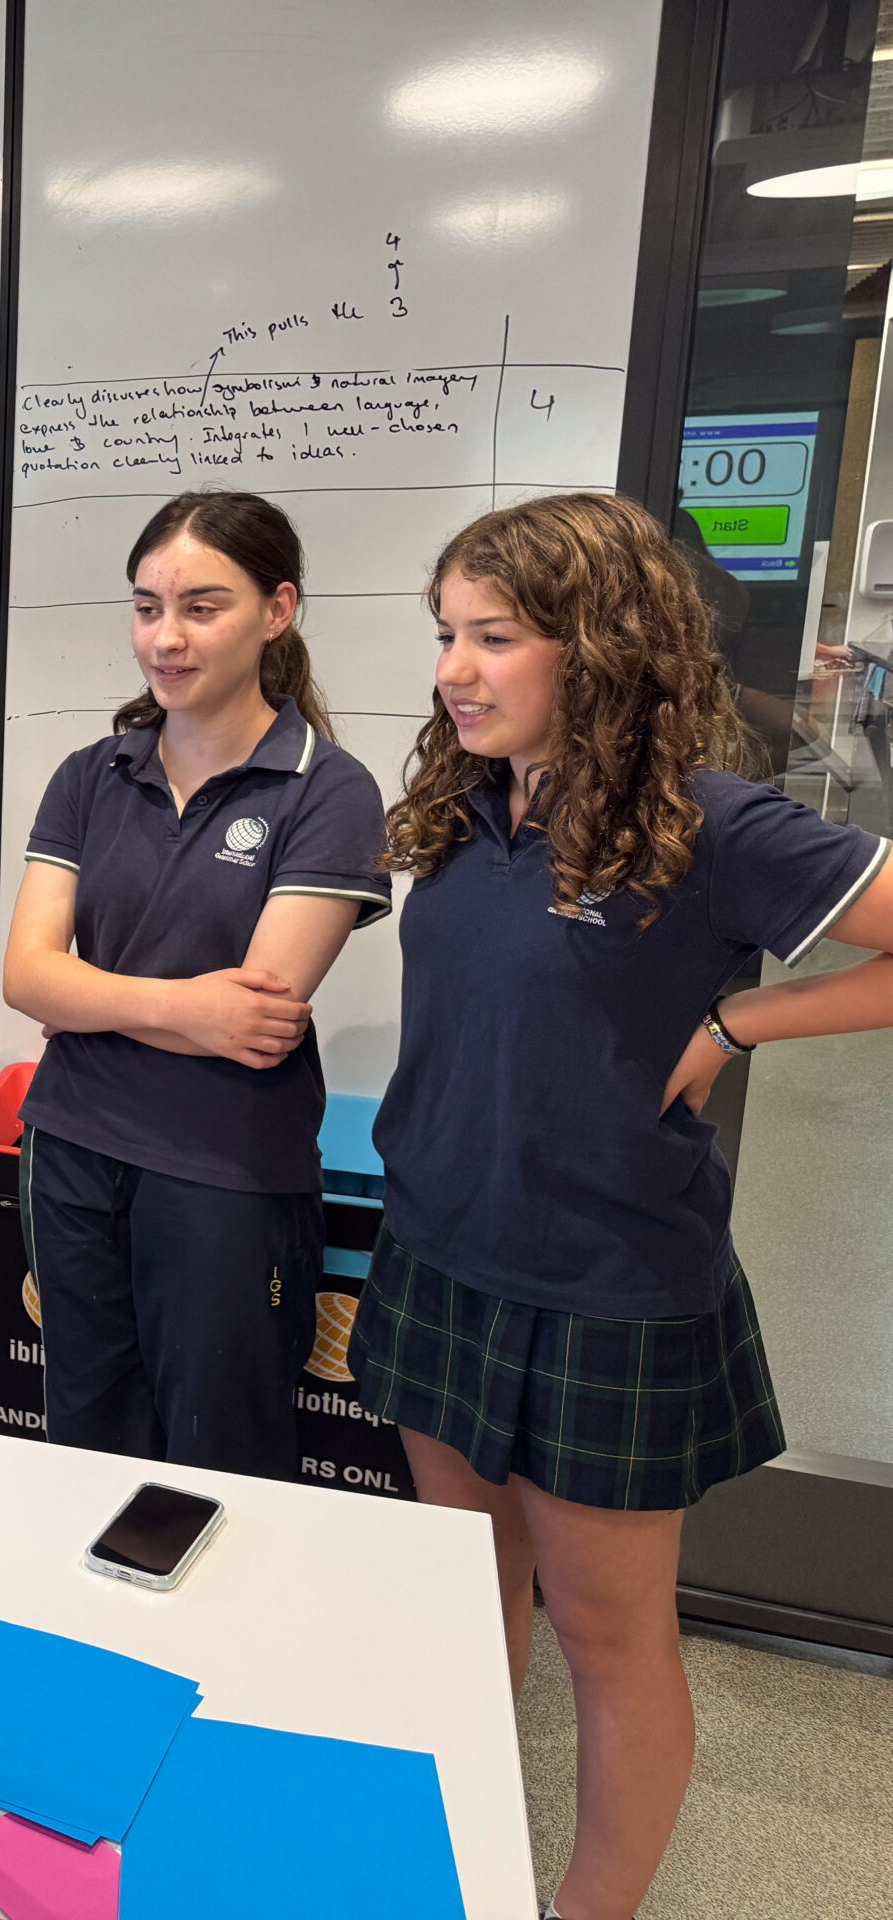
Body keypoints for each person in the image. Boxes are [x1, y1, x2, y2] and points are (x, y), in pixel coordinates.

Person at [358, 492, 893, 1920]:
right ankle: (458, 1861)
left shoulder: (712, 825)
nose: (453, 670)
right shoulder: (464, 804)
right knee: (467, 1593)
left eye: (493, 638)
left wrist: (738, 1021)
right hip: (440, 1253)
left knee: (608, 1640)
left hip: (605, 1286)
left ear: (594, 643)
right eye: (445, 635)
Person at [0, 491, 388, 1479]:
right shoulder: (90, 775)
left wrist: (90, 1002)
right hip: (72, 1149)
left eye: (201, 608)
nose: (165, 638)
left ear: (277, 609)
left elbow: (256, 1017)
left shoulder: (328, 789)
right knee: (85, 1443)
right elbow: (26, 976)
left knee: (222, 1457)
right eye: (147, 608)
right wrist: (181, 1008)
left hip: (226, 1168)